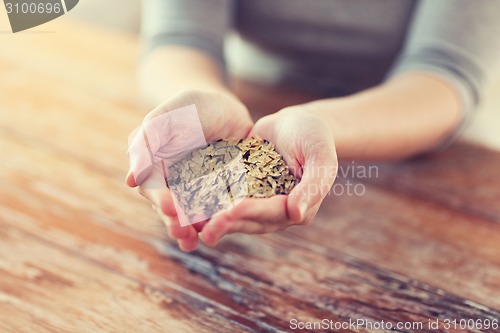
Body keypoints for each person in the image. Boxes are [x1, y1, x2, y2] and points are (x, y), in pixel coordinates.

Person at [126, 0, 500, 252]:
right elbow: (179, 39)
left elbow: (445, 73)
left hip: (423, 143)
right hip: (253, 112)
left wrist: (320, 123)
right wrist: (194, 103)